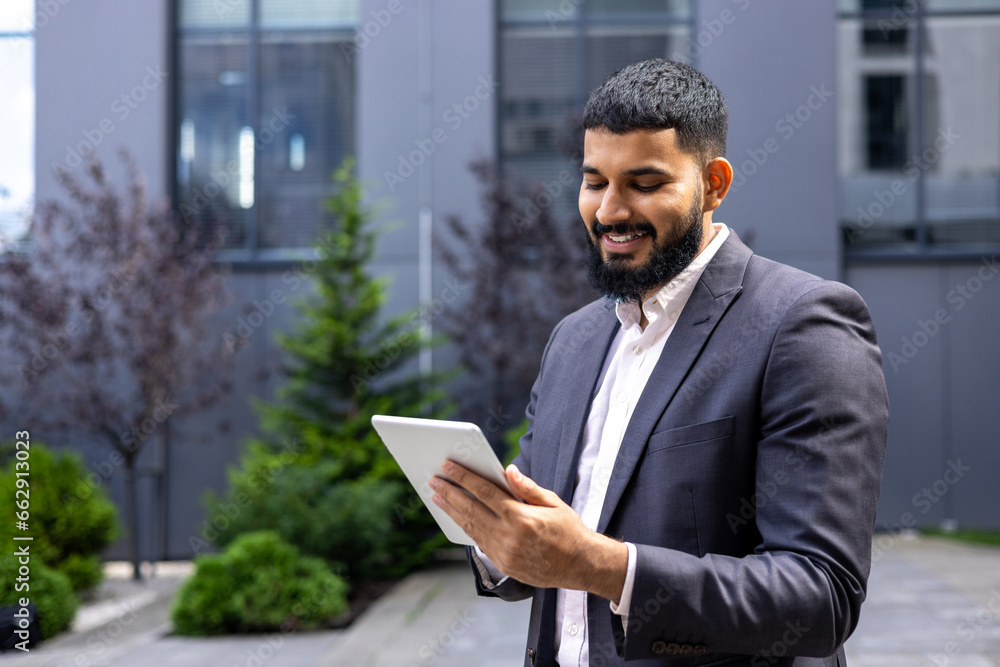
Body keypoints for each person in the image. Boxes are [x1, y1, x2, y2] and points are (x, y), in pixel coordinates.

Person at [429, 58, 889, 667]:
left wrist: (599, 565)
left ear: (714, 184)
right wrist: (497, 538)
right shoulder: (573, 340)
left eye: (644, 184)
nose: (611, 211)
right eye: (595, 182)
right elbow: (540, 542)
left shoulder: (804, 325)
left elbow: (819, 598)